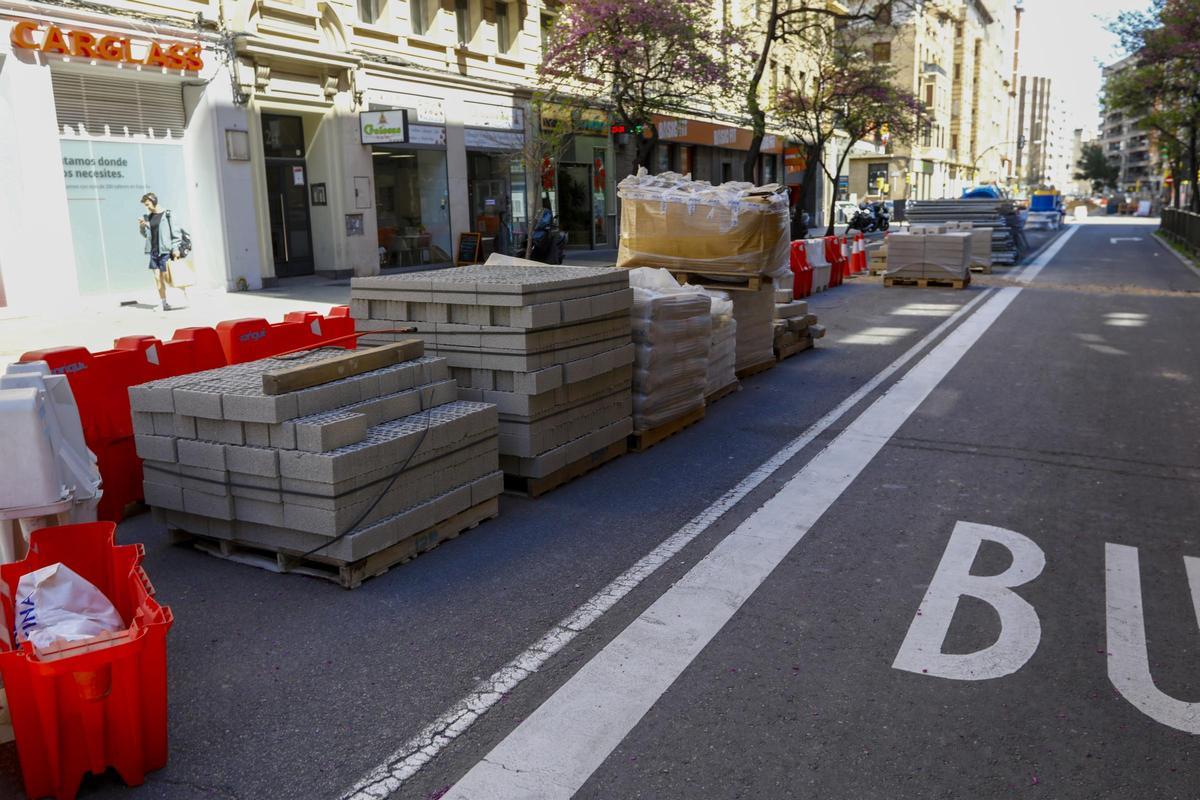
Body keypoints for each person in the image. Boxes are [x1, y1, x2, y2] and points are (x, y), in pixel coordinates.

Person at [138, 192, 181, 311]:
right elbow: (145, 235)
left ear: (154, 201)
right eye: (145, 205)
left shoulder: (167, 214)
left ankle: (184, 294)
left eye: (148, 204)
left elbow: (176, 233)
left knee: (168, 277)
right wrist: (142, 226)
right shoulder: (148, 216)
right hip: (154, 251)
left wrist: (176, 248)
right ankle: (163, 302)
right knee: (157, 278)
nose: (147, 207)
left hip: (165, 251)